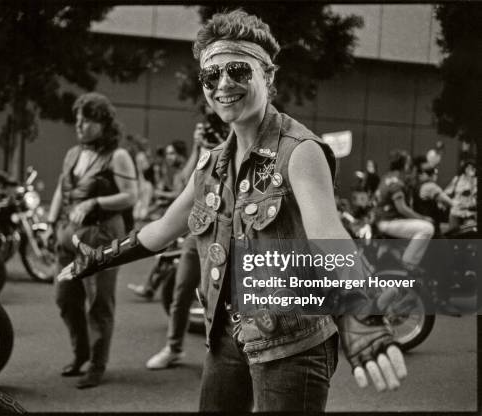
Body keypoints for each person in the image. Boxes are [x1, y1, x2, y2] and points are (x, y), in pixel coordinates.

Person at [57, 10, 406, 412]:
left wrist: (360, 304)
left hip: (294, 344)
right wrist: (99, 258)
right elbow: (163, 229)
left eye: (239, 71)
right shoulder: (209, 166)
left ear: (268, 76)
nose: (224, 84)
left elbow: (327, 234)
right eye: (211, 75)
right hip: (226, 338)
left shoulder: (299, 151)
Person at [47, 92, 137, 389]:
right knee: (65, 298)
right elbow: (62, 189)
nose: (80, 125)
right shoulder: (73, 153)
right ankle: (81, 353)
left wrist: (96, 202)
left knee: (99, 303)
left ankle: (97, 364)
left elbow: (130, 196)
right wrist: (50, 222)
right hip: (68, 235)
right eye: (78, 120)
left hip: (102, 235)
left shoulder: (118, 155)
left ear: (103, 123)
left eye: (87, 120)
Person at [145, 119, 227, 370]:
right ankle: (173, 347)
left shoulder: (238, 138)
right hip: (198, 228)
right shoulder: (203, 151)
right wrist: (196, 146)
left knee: (222, 297)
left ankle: (222, 355)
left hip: (228, 230)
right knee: (181, 292)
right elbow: (183, 182)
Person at [374, 149, 434, 270]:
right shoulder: (396, 182)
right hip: (388, 222)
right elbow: (402, 209)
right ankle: (408, 264)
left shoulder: (386, 177)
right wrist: (423, 218)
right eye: (408, 162)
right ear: (404, 164)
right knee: (427, 228)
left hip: (382, 221)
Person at [444, 159, 477, 231]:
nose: (469, 170)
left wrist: (471, 179)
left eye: (472, 168)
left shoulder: (475, 180)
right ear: (464, 168)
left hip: (469, 212)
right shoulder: (457, 178)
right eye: (468, 167)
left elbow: (474, 194)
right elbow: (447, 191)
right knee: (453, 234)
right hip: (455, 211)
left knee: (469, 233)